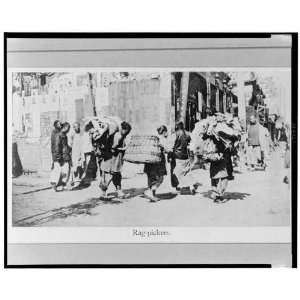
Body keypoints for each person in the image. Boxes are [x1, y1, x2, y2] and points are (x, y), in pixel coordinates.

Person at [99, 121, 132, 199]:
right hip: (112, 159)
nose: (126, 132)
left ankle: (119, 192)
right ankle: (103, 193)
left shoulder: (120, 135)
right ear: (124, 129)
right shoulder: (118, 136)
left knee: (117, 175)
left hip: (116, 159)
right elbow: (113, 148)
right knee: (109, 175)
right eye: (126, 130)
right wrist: (122, 149)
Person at [143, 126, 168, 202]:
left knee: (151, 179)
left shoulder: (153, 139)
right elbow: (165, 150)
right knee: (160, 179)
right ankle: (149, 192)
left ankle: (152, 196)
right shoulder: (161, 139)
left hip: (149, 161)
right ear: (164, 132)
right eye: (166, 132)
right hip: (158, 162)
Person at [171, 121, 197, 194]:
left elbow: (171, 145)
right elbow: (192, 143)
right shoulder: (188, 133)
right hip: (186, 155)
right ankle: (191, 186)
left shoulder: (175, 134)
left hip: (177, 156)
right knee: (187, 172)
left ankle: (179, 186)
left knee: (177, 172)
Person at [69, 122, 83, 188]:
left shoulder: (80, 134)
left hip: (80, 153)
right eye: (75, 127)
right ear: (73, 127)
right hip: (74, 153)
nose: (77, 128)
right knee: (74, 167)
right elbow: (70, 144)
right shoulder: (72, 134)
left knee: (79, 167)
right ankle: (73, 181)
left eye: (77, 126)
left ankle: (78, 180)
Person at [50, 120, 62, 191]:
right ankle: (53, 183)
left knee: (56, 168)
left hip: (55, 153)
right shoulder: (56, 132)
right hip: (56, 153)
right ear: (56, 125)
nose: (60, 125)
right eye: (59, 124)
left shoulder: (55, 132)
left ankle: (54, 183)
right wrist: (57, 155)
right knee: (57, 168)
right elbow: (56, 145)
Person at [60, 122, 72, 190]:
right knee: (65, 170)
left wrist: (70, 148)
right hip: (63, 155)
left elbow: (65, 145)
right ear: (65, 127)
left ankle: (63, 184)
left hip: (65, 154)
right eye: (68, 128)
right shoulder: (61, 135)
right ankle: (63, 184)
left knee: (66, 169)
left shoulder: (64, 135)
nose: (69, 130)